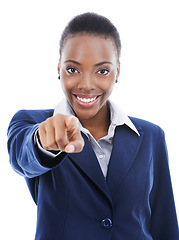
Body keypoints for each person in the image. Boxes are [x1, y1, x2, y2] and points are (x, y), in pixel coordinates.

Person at [7, 12, 179, 240]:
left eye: (102, 71)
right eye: (72, 69)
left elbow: (164, 223)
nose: (86, 85)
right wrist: (44, 143)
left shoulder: (151, 136)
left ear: (117, 71)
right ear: (58, 68)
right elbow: (23, 155)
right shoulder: (32, 123)